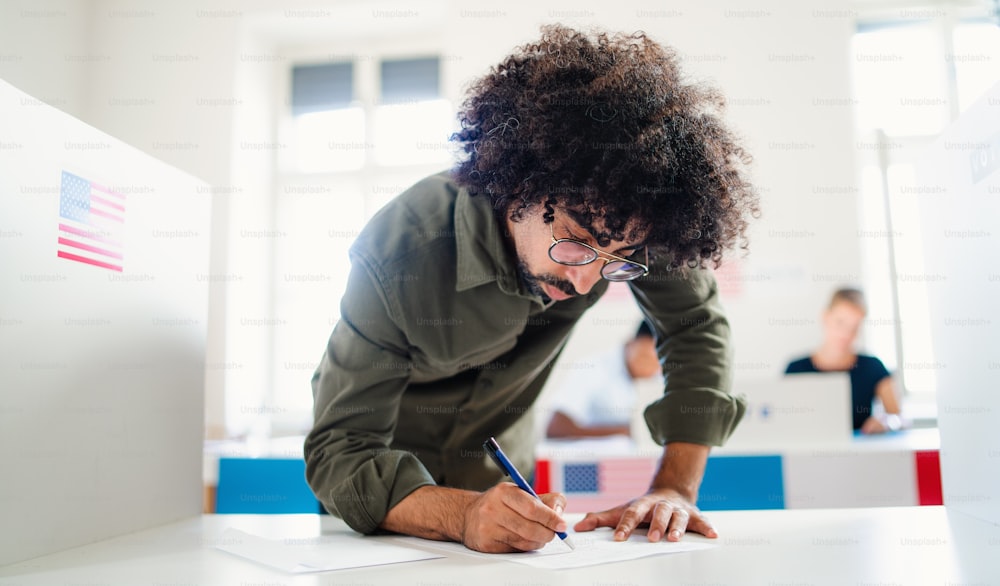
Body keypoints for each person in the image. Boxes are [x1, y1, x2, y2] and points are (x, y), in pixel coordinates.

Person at [305, 24, 760, 554]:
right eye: (575, 242)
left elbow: (695, 327)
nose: (589, 280)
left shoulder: (629, 213)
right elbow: (340, 452)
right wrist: (461, 513)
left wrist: (675, 488)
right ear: (520, 187)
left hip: (508, 492)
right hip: (389, 515)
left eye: (617, 258)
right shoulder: (399, 252)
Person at [785, 288, 902, 434]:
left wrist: (886, 422)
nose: (846, 334)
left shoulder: (872, 367)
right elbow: (782, 421)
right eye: (840, 322)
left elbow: (898, 417)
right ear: (825, 317)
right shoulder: (795, 370)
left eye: (855, 327)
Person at [545, 320, 662, 439]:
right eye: (645, 357)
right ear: (629, 343)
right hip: (587, 455)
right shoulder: (592, 369)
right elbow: (555, 427)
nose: (651, 368)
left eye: (658, 363)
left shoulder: (659, 377)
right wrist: (626, 432)